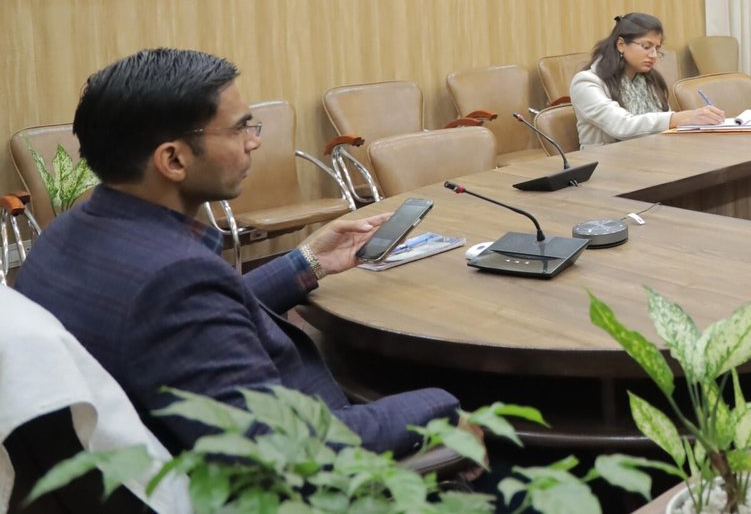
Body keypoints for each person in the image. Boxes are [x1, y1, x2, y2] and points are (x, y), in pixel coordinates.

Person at [15, 48, 461, 456]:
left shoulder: (62, 237)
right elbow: (289, 450)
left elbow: (196, 320)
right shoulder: (174, 280)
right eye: (239, 128)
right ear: (173, 160)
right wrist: (449, 404)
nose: (254, 141)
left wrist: (308, 261)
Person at [569, 12, 724, 148]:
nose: (653, 55)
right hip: (606, 164)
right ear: (621, 44)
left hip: (651, 155)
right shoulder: (586, 83)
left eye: (657, 49)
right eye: (646, 46)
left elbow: (666, 126)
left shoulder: (649, 79)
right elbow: (621, 126)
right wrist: (680, 117)